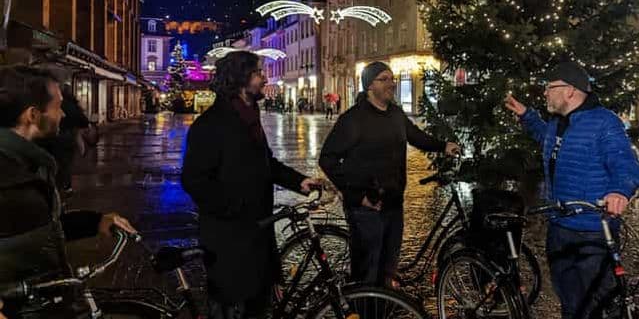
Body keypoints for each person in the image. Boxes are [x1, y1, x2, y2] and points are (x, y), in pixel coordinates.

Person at [181, 51, 322, 319]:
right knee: (233, 308)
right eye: (258, 73)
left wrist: (299, 181)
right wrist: (234, 208)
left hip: (257, 233)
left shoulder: (249, 117)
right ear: (241, 79)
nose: (264, 78)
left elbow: (266, 163)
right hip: (229, 242)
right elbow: (194, 180)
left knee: (258, 306)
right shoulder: (212, 124)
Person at [504, 61, 639, 319]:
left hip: (592, 233)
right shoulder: (559, 123)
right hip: (559, 228)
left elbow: (627, 166)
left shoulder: (604, 123)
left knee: (599, 306)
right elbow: (547, 137)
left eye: (550, 87)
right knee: (570, 304)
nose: (545, 92)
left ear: (570, 90)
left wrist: (619, 192)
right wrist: (527, 116)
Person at [0, 65, 136, 319]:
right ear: (33, 115)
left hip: (43, 303)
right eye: (57, 106)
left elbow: (40, 227)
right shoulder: (8, 169)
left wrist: (95, 221)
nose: (63, 114)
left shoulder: (33, 164)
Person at [319, 61, 460, 287]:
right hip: (367, 207)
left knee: (387, 270)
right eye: (383, 79)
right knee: (367, 273)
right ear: (369, 86)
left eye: (392, 79)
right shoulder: (354, 119)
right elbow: (328, 158)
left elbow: (415, 136)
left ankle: (382, 308)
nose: (391, 84)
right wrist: (356, 195)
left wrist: (443, 146)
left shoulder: (395, 114)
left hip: (394, 203)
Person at [37, 84, 90, 196]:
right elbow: (83, 121)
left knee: (50, 163)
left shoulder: (49, 103)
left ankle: (52, 187)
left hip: (49, 139)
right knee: (65, 164)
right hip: (67, 139)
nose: (62, 114)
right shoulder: (72, 105)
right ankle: (65, 187)